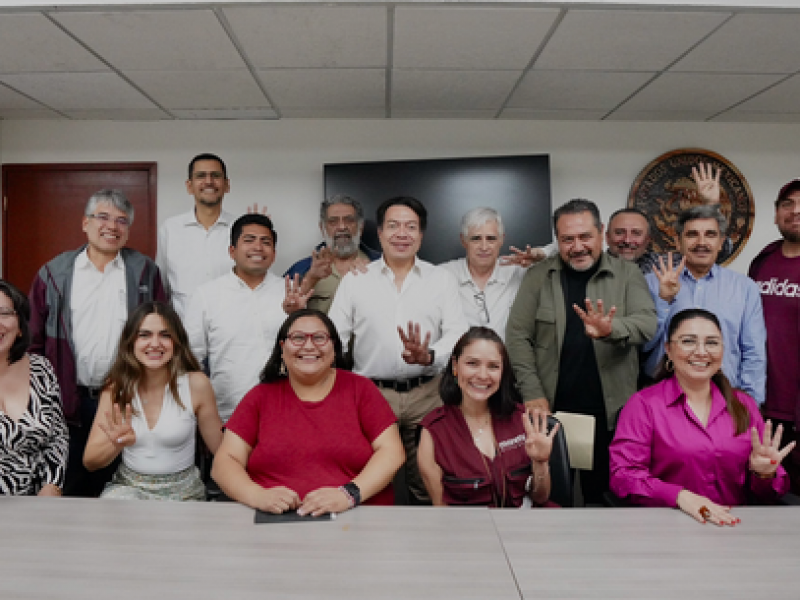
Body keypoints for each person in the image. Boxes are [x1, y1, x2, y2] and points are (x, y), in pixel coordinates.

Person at [506, 198, 656, 505]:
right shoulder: (538, 276)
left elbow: (647, 324)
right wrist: (531, 391)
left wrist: (610, 330)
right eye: (567, 239)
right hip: (552, 410)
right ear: (557, 240)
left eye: (585, 237)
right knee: (551, 498)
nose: (578, 247)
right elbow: (518, 337)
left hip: (611, 413)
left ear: (601, 232)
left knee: (604, 500)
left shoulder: (627, 274)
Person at [328, 196, 468, 503]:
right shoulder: (355, 280)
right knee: (371, 483)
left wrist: (428, 355)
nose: (401, 234)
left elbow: (458, 334)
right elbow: (333, 337)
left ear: (421, 235)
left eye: (410, 227)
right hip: (371, 397)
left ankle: (429, 549)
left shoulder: (441, 279)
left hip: (428, 395)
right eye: (393, 226)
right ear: (379, 233)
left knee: (429, 484)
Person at [29, 189, 167, 497]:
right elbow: (33, 341)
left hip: (127, 399)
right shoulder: (54, 274)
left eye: (121, 221)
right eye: (102, 217)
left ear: (128, 230)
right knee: (70, 485)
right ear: (85, 223)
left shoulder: (144, 272)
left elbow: (163, 333)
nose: (112, 226)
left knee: (118, 488)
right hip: (67, 402)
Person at [610, 308, 793, 525]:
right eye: (688, 341)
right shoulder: (644, 405)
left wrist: (764, 475)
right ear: (668, 349)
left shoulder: (743, 405)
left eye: (712, 343)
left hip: (733, 528)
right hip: (665, 527)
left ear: (723, 350)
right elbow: (623, 476)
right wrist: (680, 496)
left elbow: (770, 493)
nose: (701, 351)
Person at [212, 309, 404, 515]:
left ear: (334, 347)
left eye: (320, 338)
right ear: (282, 347)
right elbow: (225, 462)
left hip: (357, 516)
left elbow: (392, 452)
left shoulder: (361, 389)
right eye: (298, 338)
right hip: (274, 521)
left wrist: (347, 495)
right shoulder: (260, 397)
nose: (309, 345)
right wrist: (258, 495)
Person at [82, 302, 222, 500]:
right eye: (144, 335)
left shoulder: (196, 384)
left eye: (165, 335)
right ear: (131, 342)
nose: (155, 343)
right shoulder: (116, 387)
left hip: (184, 494)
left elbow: (223, 451)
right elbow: (90, 461)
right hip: (128, 490)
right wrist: (118, 443)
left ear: (176, 342)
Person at [185, 213, 310, 422]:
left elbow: (308, 352)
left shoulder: (290, 293)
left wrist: (297, 316)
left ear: (274, 253)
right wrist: (203, 418)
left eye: (266, 242)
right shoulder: (206, 295)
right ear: (232, 251)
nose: (258, 247)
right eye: (249, 240)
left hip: (288, 411)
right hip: (227, 415)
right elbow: (190, 361)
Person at [418, 327, 557, 507]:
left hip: (526, 527)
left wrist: (540, 463)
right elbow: (442, 511)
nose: (483, 375)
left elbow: (540, 498)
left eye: (493, 366)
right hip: (469, 532)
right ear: (455, 366)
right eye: (472, 363)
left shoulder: (522, 419)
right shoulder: (433, 431)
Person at [643, 205, 766, 403]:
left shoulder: (744, 288)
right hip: (661, 399)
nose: (701, 243)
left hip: (726, 398)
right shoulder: (651, 283)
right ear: (678, 241)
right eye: (692, 234)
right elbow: (643, 346)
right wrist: (664, 301)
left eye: (710, 235)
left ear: (721, 242)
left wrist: (751, 403)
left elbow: (754, 353)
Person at [748, 178, 800, 493]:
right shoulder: (764, 260)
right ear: (776, 213)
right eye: (788, 204)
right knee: (764, 493)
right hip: (763, 406)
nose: (796, 212)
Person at [0, 280, 68, 496]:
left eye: (4, 313)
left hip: (35, 506)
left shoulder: (41, 368)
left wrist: (52, 486)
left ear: (20, 326)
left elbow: (57, 438)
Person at [440, 207, 548, 340]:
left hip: (507, 359)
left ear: (501, 239)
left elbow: (562, 251)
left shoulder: (517, 270)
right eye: (476, 239)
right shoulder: (444, 275)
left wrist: (542, 254)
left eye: (491, 238)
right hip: (459, 359)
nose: (484, 247)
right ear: (463, 240)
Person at [156, 153, 235, 319]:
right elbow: (161, 287)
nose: (208, 181)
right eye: (201, 176)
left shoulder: (241, 229)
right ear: (189, 186)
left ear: (227, 185)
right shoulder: (170, 229)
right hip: (183, 334)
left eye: (215, 175)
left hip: (230, 329)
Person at [284, 194, 381, 314]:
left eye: (349, 220)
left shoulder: (380, 264)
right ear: (322, 228)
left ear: (360, 227)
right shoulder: (301, 269)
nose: (342, 227)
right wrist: (311, 278)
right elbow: (282, 314)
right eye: (333, 222)